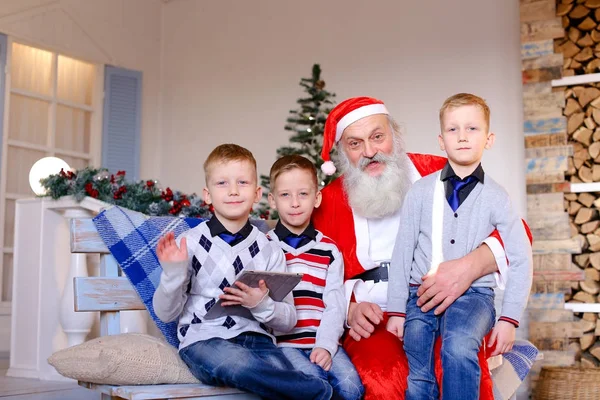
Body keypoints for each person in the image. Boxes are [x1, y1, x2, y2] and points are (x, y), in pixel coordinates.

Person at [312, 96, 532, 399]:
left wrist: (468, 268)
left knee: (457, 357)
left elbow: (519, 236)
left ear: (395, 135)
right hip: (375, 314)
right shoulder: (328, 200)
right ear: (341, 152)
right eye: (355, 144)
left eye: (378, 137)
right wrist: (348, 308)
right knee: (383, 378)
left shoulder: (440, 170)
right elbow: (308, 267)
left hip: (448, 302)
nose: (369, 152)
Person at [152, 144, 332, 400]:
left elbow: (288, 320)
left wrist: (261, 304)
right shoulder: (188, 243)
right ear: (207, 195)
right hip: (206, 339)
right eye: (222, 183)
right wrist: (173, 273)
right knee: (236, 363)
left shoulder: (269, 248)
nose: (234, 191)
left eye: (243, 182)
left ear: (257, 193)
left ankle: (307, 390)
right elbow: (166, 313)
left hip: (257, 340)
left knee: (278, 372)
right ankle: (320, 393)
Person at [386, 93, 533, 400]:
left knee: (458, 343)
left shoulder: (497, 197)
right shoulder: (421, 191)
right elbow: (402, 252)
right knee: (417, 358)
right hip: (420, 293)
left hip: (475, 295)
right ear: (441, 140)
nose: (462, 137)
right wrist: (397, 309)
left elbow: (520, 257)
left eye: (472, 129)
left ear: (489, 139)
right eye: (453, 129)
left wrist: (508, 319)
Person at [266, 155, 364, 400]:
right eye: (285, 195)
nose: (295, 203)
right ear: (272, 200)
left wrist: (326, 345)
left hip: (322, 339)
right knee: (313, 383)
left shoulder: (329, 250)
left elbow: (335, 303)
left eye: (303, 194)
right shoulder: (264, 246)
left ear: (317, 198)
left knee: (352, 387)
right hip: (283, 345)